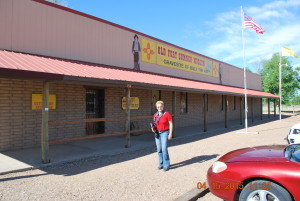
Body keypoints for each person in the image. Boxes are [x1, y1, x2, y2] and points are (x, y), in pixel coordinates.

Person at [151, 100, 173, 171]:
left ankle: (166, 164)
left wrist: (170, 133)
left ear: (163, 106)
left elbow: (171, 124)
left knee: (164, 149)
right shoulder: (155, 115)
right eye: (158, 107)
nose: (159, 108)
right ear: (156, 107)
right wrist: (153, 128)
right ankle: (161, 163)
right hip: (157, 133)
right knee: (159, 149)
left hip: (164, 133)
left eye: (161, 106)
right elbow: (154, 124)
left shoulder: (167, 114)